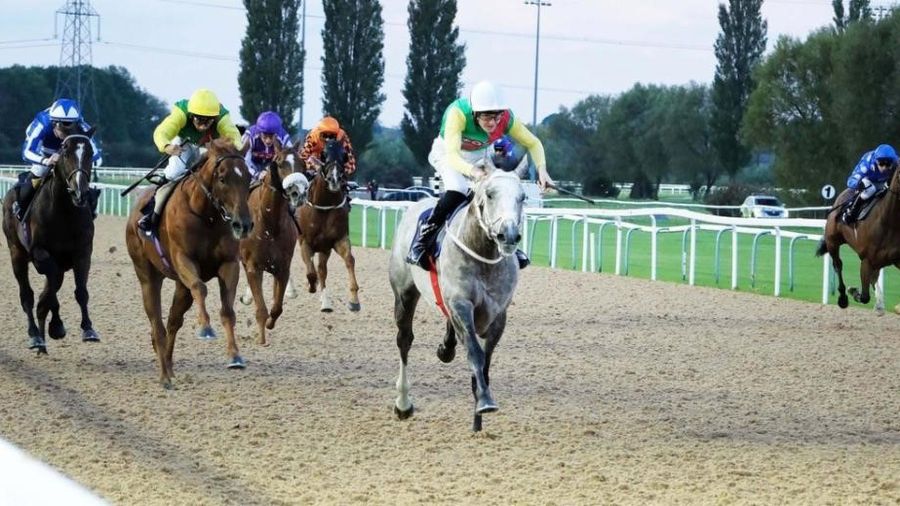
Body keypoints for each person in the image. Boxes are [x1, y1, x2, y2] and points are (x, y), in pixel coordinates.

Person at [406, 80, 554, 270]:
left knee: (497, 191)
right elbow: (453, 156)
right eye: (487, 117)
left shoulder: (507, 118)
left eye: (497, 117)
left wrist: (542, 170)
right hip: (448, 154)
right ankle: (421, 240)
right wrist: (472, 171)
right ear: (475, 113)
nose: (493, 123)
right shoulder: (457, 114)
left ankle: (507, 241)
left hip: (480, 156)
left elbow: (533, 143)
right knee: (458, 188)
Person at [137, 89, 242, 236]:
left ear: (215, 117)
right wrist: (167, 146)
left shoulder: (222, 118)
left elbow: (234, 137)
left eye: (208, 120)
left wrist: (234, 151)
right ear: (192, 115)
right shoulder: (181, 113)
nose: (203, 125)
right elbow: (161, 132)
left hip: (209, 145)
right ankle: (151, 214)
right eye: (199, 120)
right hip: (183, 143)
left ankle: (236, 215)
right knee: (174, 172)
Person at [13, 98, 103, 221]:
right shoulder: (42, 124)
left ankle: (90, 213)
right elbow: (26, 152)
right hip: (45, 153)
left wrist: (82, 165)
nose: (67, 130)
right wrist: (46, 161)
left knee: (82, 180)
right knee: (38, 173)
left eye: (70, 125)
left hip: (70, 155)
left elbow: (97, 157)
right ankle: (21, 207)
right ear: (54, 124)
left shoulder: (82, 126)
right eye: (63, 126)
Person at [842, 143, 899, 223]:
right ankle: (851, 211)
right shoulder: (866, 164)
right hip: (869, 181)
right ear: (876, 161)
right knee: (870, 190)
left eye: (888, 164)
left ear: (893, 162)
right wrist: (858, 184)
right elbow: (851, 180)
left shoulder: (897, 162)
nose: (884, 168)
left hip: (886, 181)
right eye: (881, 163)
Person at [297, 116, 357, 180]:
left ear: (337, 134)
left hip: (335, 164)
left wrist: (342, 171)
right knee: (310, 160)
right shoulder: (313, 136)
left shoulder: (342, 137)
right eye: (324, 135)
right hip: (316, 162)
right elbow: (302, 157)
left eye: (331, 136)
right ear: (319, 133)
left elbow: (351, 162)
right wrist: (314, 167)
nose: (327, 139)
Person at [242, 111, 292, 181]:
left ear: (277, 133)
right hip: (252, 166)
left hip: (272, 167)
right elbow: (242, 159)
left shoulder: (284, 138)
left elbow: (290, 160)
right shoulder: (250, 136)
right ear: (259, 132)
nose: (268, 141)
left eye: (271, 136)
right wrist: (256, 174)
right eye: (264, 136)